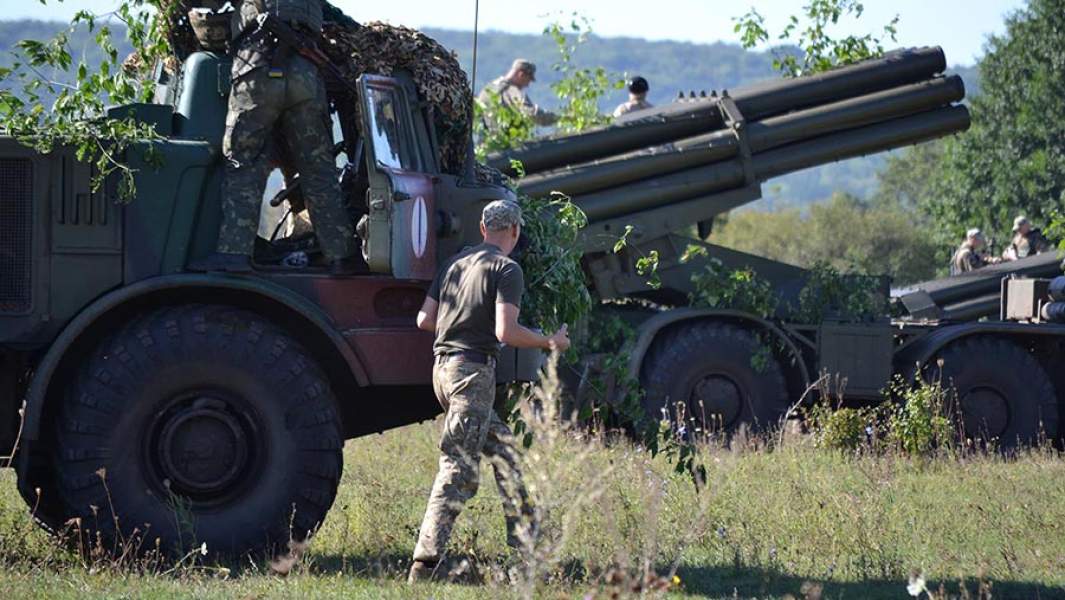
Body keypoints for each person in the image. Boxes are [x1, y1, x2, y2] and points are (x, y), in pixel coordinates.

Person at [408, 200, 571, 583]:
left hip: (443, 374)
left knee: (508, 455)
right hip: (471, 376)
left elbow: (424, 320)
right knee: (458, 467)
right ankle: (425, 564)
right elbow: (506, 333)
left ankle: (529, 556)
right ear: (513, 231)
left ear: (483, 229)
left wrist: (461, 329)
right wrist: (551, 341)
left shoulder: (454, 265)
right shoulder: (506, 269)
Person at [207, 0, 359, 273]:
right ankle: (342, 256)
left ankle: (234, 253)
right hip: (306, 70)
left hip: (256, 65)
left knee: (244, 160)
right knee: (319, 170)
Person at [477, 59, 558, 128]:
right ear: (521, 74)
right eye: (528, 80)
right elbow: (531, 114)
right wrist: (558, 119)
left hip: (485, 143)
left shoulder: (487, 90)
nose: (527, 85)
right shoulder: (511, 91)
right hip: (507, 144)